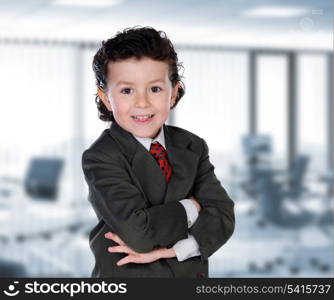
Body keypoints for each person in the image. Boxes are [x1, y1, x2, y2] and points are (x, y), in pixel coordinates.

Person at [81, 26, 235, 278]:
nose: (142, 103)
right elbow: (139, 233)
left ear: (173, 93)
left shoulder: (192, 145)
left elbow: (224, 215)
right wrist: (192, 207)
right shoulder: (102, 156)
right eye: (127, 90)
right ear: (106, 98)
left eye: (155, 89)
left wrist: (174, 250)